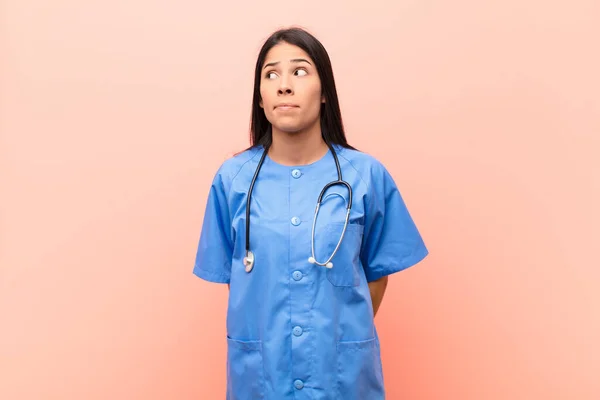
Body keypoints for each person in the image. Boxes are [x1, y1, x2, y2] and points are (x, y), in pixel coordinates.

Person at [193, 26, 428, 400]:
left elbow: (377, 275)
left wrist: (340, 329)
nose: (284, 85)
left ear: (324, 93)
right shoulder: (232, 180)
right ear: (260, 97)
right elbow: (239, 282)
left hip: (343, 379)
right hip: (261, 378)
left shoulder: (365, 176)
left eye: (299, 71)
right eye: (271, 75)